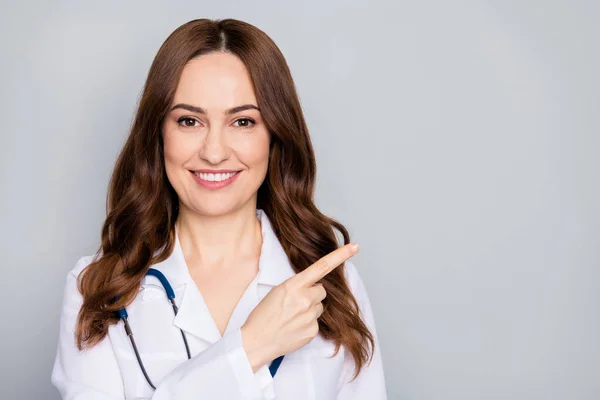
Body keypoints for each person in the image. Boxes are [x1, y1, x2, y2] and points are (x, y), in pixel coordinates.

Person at [51, 18, 387, 399]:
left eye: (242, 121)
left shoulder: (332, 286)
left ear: (275, 136)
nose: (213, 152)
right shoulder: (95, 289)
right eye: (189, 121)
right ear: (158, 135)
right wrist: (250, 348)